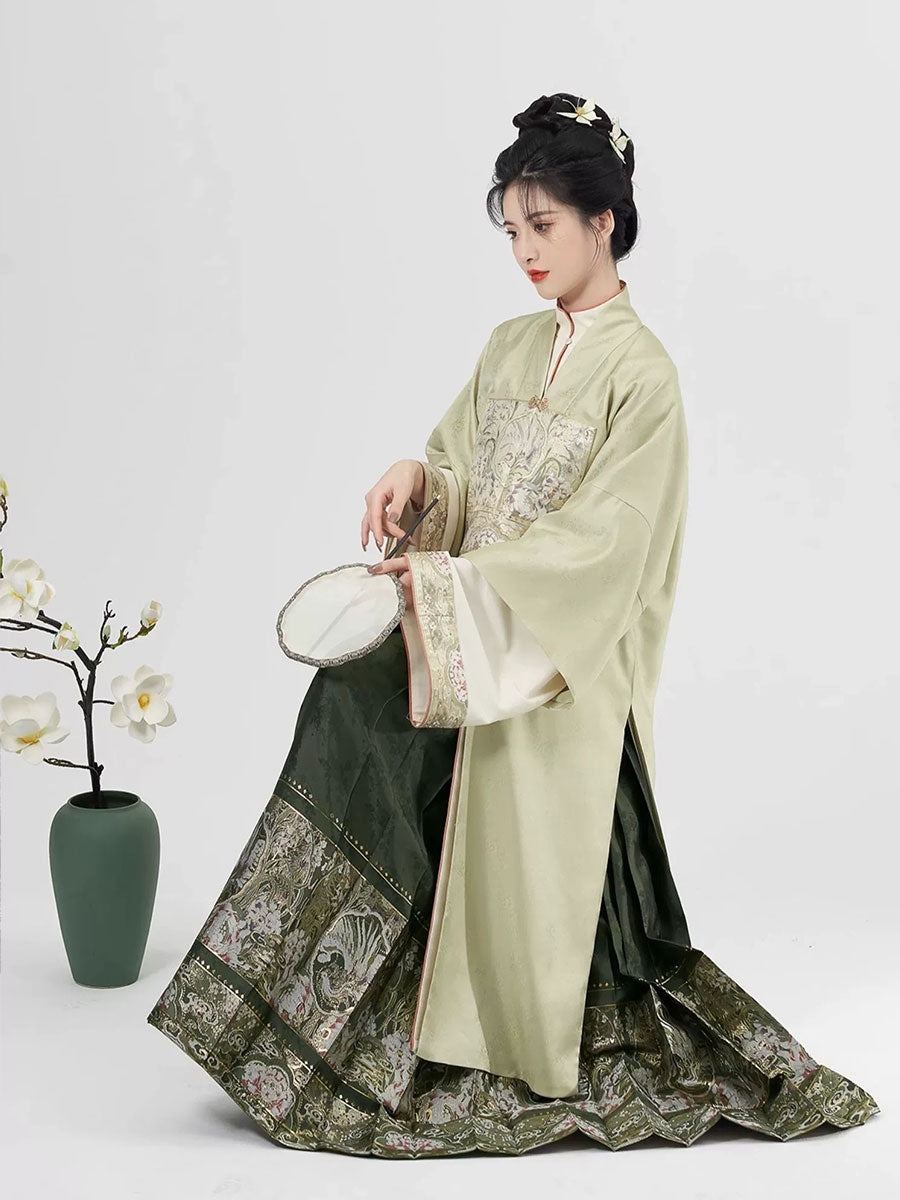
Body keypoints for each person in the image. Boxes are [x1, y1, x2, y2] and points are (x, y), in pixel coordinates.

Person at [146, 92, 880, 1156]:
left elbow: (606, 548)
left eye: (543, 226)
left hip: (557, 673)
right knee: (350, 695)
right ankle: (312, 1019)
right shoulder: (507, 345)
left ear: (603, 222)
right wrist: (419, 481)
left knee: (539, 871)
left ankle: (513, 1034)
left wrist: (452, 593)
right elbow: (465, 476)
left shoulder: (645, 377)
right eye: (511, 231)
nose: (526, 251)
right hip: (472, 644)